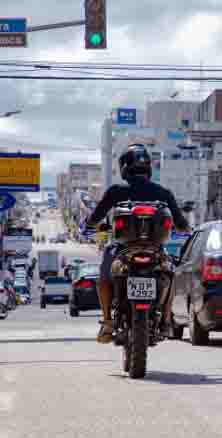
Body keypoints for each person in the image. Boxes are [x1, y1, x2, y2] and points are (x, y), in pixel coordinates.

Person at [84, 144, 190, 344]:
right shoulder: (163, 193)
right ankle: (166, 319)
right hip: (155, 250)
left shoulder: (116, 191)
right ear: (148, 167)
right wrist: (184, 228)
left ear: (124, 167)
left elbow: (95, 218)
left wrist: (89, 224)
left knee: (104, 279)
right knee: (171, 276)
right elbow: (182, 223)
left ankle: (107, 322)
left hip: (122, 250)